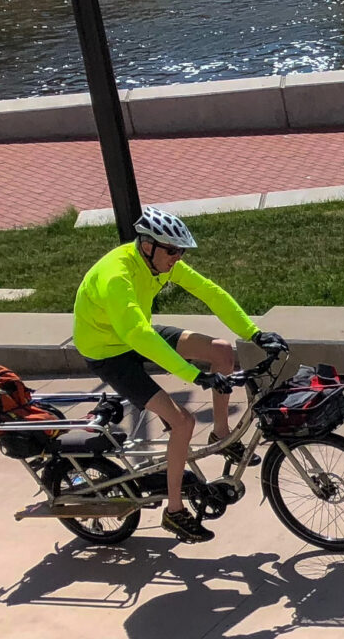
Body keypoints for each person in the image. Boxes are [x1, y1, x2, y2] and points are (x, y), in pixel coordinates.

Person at [71, 207, 286, 544]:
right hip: (109, 352)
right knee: (183, 421)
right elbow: (138, 335)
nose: (178, 258)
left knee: (223, 351)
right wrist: (193, 376)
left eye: (181, 251)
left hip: (133, 333)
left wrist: (255, 333)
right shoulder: (118, 275)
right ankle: (174, 512)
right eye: (172, 251)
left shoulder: (159, 262)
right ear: (147, 246)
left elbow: (211, 293)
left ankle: (220, 434)